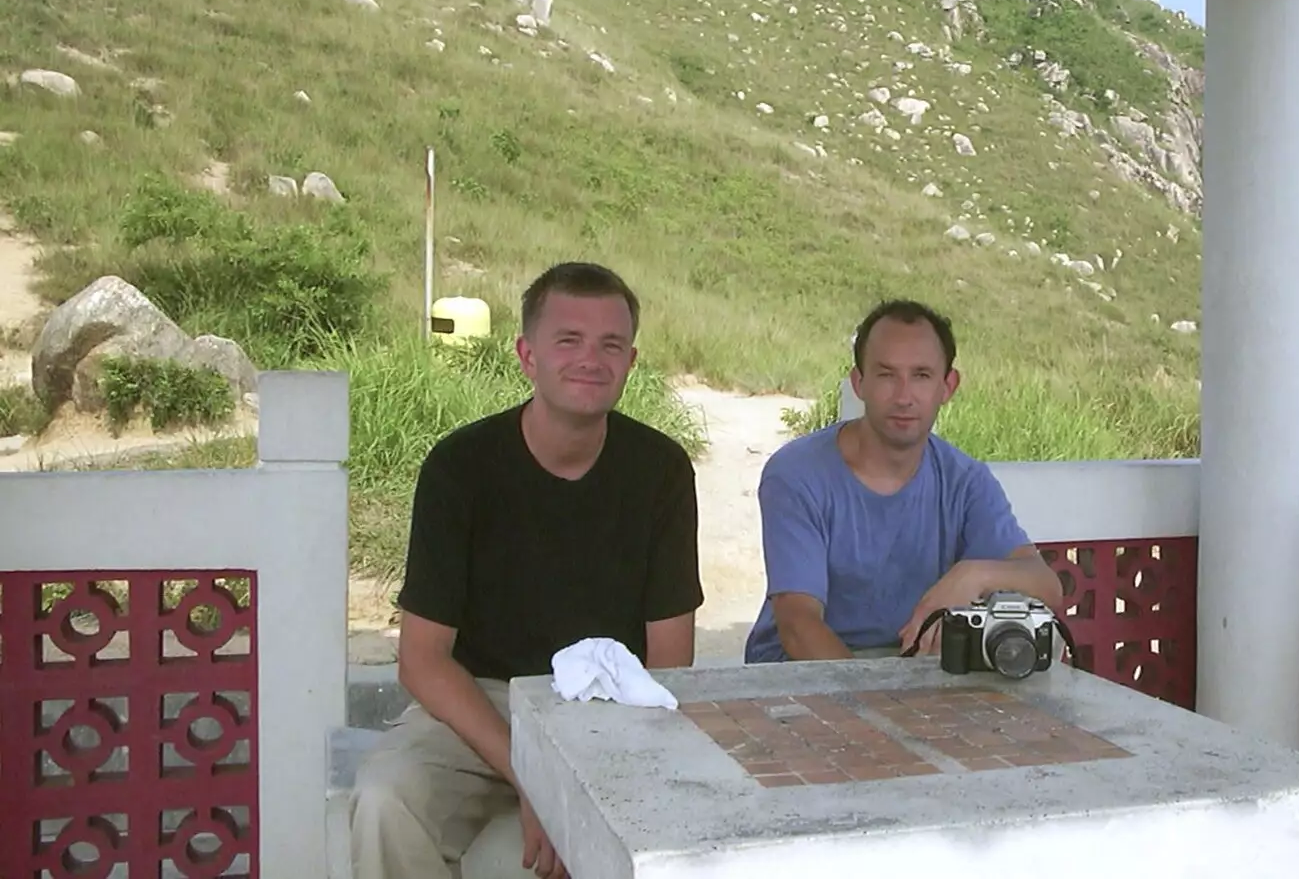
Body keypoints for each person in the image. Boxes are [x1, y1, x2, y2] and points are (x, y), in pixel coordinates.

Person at [349, 262, 703, 879]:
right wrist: (535, 775)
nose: (591, 359)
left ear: (631, 360)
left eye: (610, 345)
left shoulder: (662, 471)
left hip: (610, 707)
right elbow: (422, 658)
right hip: (481, 705)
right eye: (569, 340)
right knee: (387, 799)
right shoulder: (461, 468)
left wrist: (584, 784)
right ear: (527, 354)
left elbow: (670, 656)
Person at [743, 299, 1061, 664]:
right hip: (803, 677)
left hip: (916, 675)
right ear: (858, 383)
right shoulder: (798, 473)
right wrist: (874, 707)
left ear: (948, 386)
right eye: (886, 375)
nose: (904, 397)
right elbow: (798, 624)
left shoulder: (965, 479)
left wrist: (973, 575)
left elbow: (1046, 586)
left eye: (922, 376)